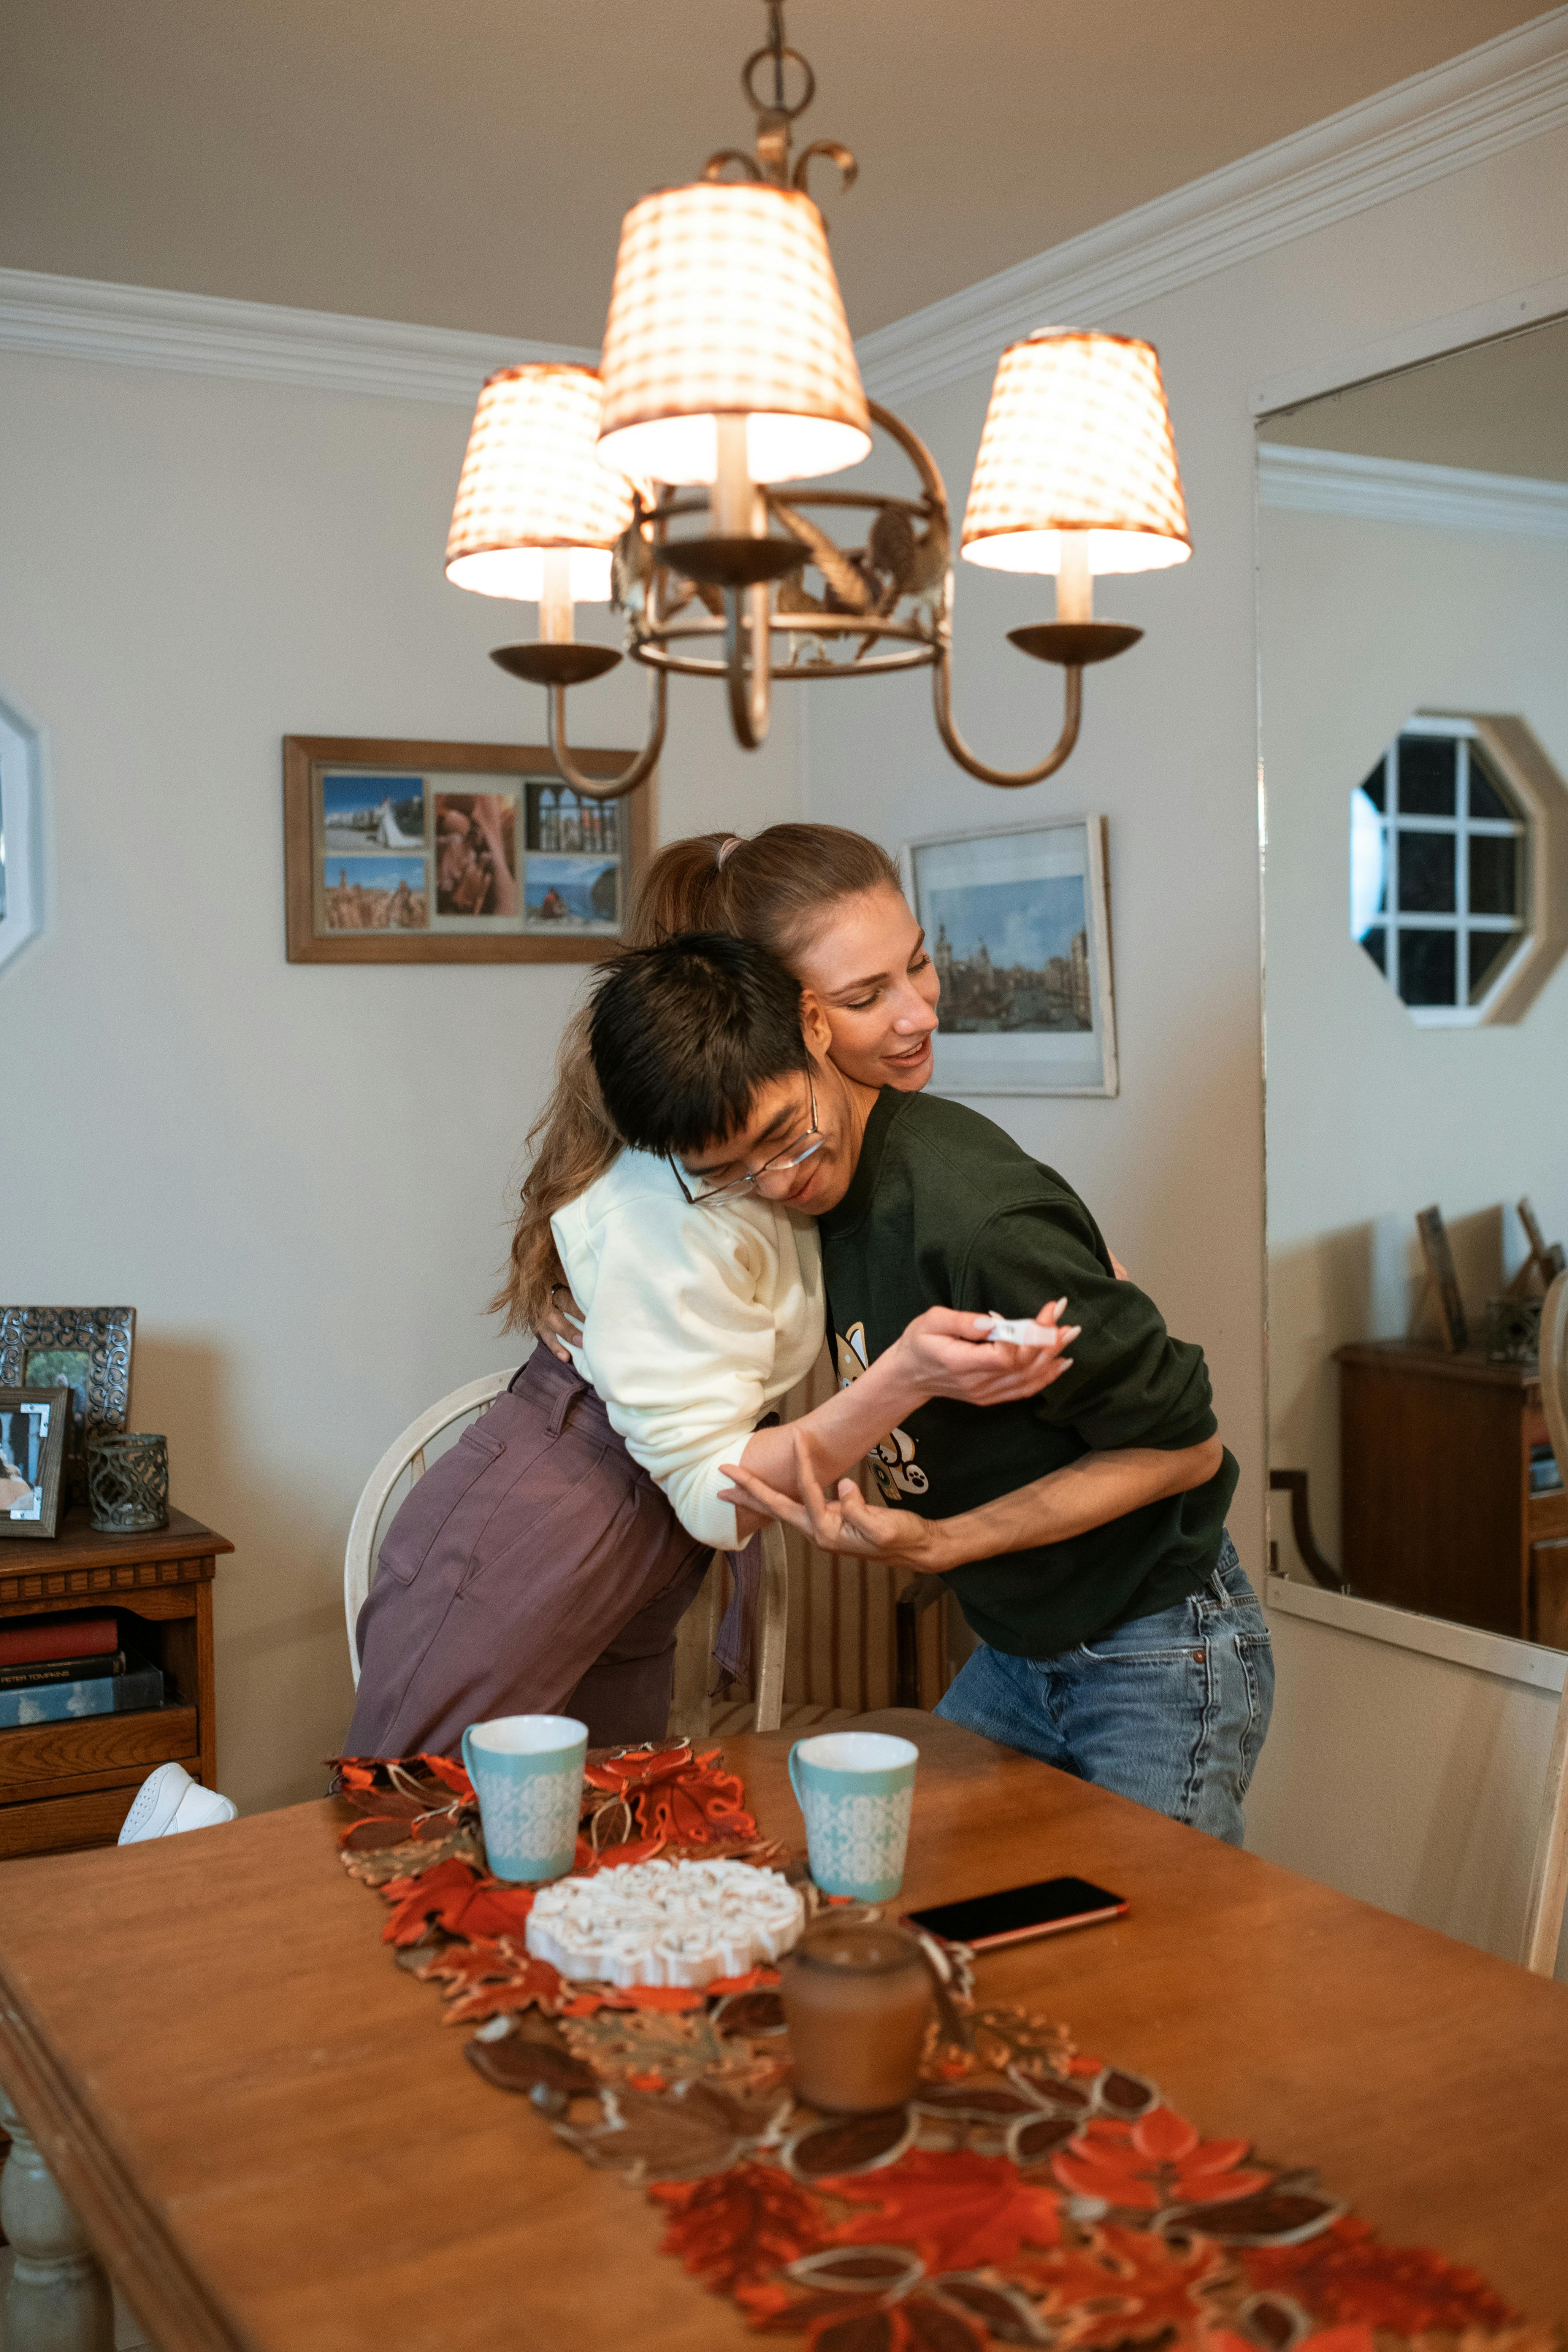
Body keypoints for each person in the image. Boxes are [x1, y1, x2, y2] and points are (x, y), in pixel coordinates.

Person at [343, 863, 1073, 1759]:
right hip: (578, 1491)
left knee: (595, 1830)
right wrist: (903, 1379)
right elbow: (717, 1497)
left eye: (907, 971)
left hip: (655, 1516)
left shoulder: (803, 1132)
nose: (910, 1016)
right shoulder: (680, 1189)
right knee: (412, 1808)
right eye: (861, 991)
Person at [590, 931, 1273, 1848]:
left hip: (1153, 1639)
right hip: (1020, 1643)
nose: (779, 1179)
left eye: (786, 1134)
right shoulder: (795, 1203)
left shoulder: (976, 1221)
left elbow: (1187, 1447)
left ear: (812, 1028)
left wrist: (942, 1541)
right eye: (731, 1174)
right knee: (914, 1886)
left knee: (1160, 1956)